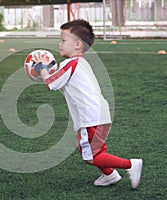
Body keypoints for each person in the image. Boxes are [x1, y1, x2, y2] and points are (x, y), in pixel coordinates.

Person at [33, 19, 143, 189]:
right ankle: (110, 174)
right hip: (99, 114)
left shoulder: (70, 64)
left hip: (91, 117)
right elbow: (60, 80)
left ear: (77, 44)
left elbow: (49, 83)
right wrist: (49, 69)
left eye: (63, 40)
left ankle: (131, 165)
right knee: (82, 146)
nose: (59, 44)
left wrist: (41, 67)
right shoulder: (79, 63)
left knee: (91, 156)